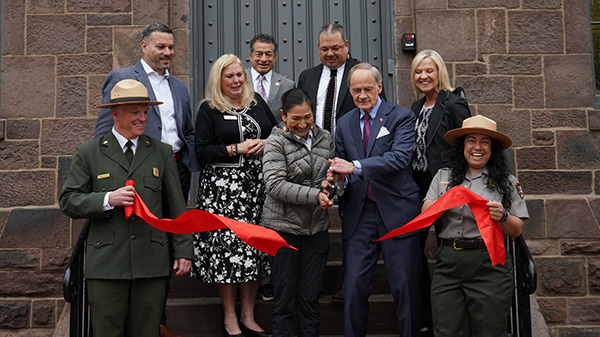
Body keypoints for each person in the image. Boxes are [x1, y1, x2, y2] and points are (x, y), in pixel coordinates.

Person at [59, 79, 193, 337]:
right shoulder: (89, 153)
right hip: (108, 264)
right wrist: (107, 198)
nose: (142, 118)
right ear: (115, 114)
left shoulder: (161, 152)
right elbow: (68, 200)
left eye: (145, 112)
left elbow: (177, 207)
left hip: (151, 261)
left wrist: (184, 250)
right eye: (135, 112)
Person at [94, 23, 197, 337]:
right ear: (143, 46)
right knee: (140, 241)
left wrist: (190, 161)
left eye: (170, 47)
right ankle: (134, 320)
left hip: (176, 171)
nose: (167, 53)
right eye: (160, 47)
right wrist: (111, 180)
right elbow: (103, 132)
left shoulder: (178, 86)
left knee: (165, 241)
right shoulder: (123, 78)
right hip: (136, 175)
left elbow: (187, 130)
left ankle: (157, 319)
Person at [328, 63, 422, 337]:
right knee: (354, 286)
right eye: (356, 90)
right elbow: (342, 166)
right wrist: (337, 177)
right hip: (360, 214)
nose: (362, 95)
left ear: (380, 87)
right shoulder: (344, 123)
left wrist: (354, 167)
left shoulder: (401, 117)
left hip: (397, 212)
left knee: (404, 286)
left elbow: (400, 158)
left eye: (368, 88)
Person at [192, 54, 277, 337]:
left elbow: (277, 133)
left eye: (239, 75)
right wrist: (235, 149)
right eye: (229, 76)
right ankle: (230, 318)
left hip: (255, 189)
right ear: (219, 79)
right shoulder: (208, 109)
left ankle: (248, 316)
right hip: (222, 192)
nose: (237, 81)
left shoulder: (257, 104)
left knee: (252, 251)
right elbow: (201, 151)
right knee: (229, 255)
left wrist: (265, 143)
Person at [422, 114, 528, 337]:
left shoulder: (507, 182)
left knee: (490, 331)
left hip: (489, 265)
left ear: (493, 148)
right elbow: (426, 215)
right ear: (463, 146)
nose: (477, 147)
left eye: (484, 141)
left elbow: (516, 229)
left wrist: (503, 216)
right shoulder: (444, 177)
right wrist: (444, 202)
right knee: (446, 331)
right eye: (471, 140)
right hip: (448, 263)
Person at [261, 88, 335, 336]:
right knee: (284, 300)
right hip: (283, 230)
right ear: (283, 116)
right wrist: (316, 196)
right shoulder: (275, 141)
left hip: (316, 230)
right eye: (296, 119)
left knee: (310, 299)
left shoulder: (325, 138)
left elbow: (334, 177)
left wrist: (331, 187)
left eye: (307, 117)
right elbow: (275, 185)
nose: (303, 124)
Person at [410, 49, 471, 337]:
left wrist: (457, 186)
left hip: (445, 189)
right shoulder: (414, 107)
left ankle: (452, 319)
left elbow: (468, 147)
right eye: (419, 72)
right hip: (417, 189)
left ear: (439, 73)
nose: (423, 76)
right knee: (413, 250)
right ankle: (424, 314)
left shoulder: (453, 104)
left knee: (448, 250)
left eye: (429, 71)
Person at [297, 23, 360, 135]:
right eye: (324, 49)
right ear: (318, 47)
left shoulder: (363, 74)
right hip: (314, 149)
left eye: (335, 48)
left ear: (346, 45)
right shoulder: (306, 77)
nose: (330, 54)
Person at [247, 33, 295, 123]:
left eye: (268, 54)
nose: (264, 59)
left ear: (275, 57)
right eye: (259, 54)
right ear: (251, 56)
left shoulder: (287, 85)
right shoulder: (239, 81)